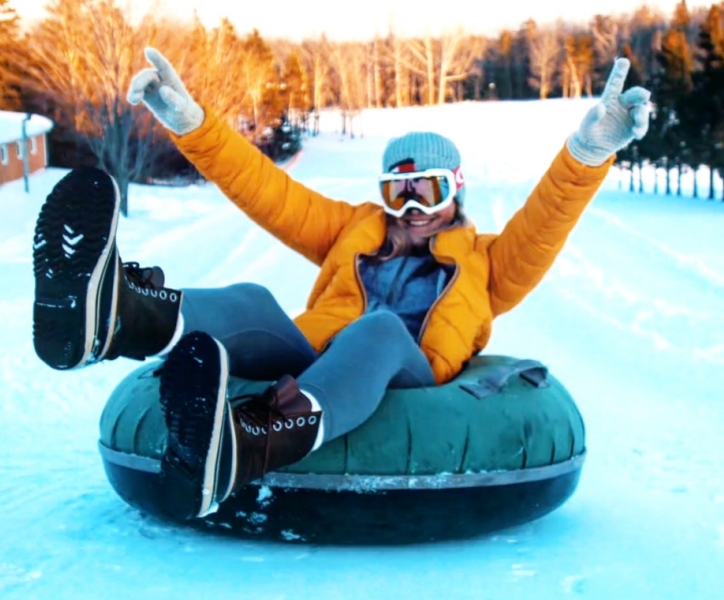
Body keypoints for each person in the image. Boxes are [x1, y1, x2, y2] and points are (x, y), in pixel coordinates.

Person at [31, 48, 651, 521]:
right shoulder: (352, 231)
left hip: (404, 371)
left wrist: (586, 153)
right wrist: (193, 125)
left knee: (377, 329)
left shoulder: (489, 263)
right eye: (396, 191)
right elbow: (266, 190)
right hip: (319, 355)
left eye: (426, 189)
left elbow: (546, 221)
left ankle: (258, 441)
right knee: (254, 300)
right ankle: (115, 316)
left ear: (455, 188)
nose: (411, 207)